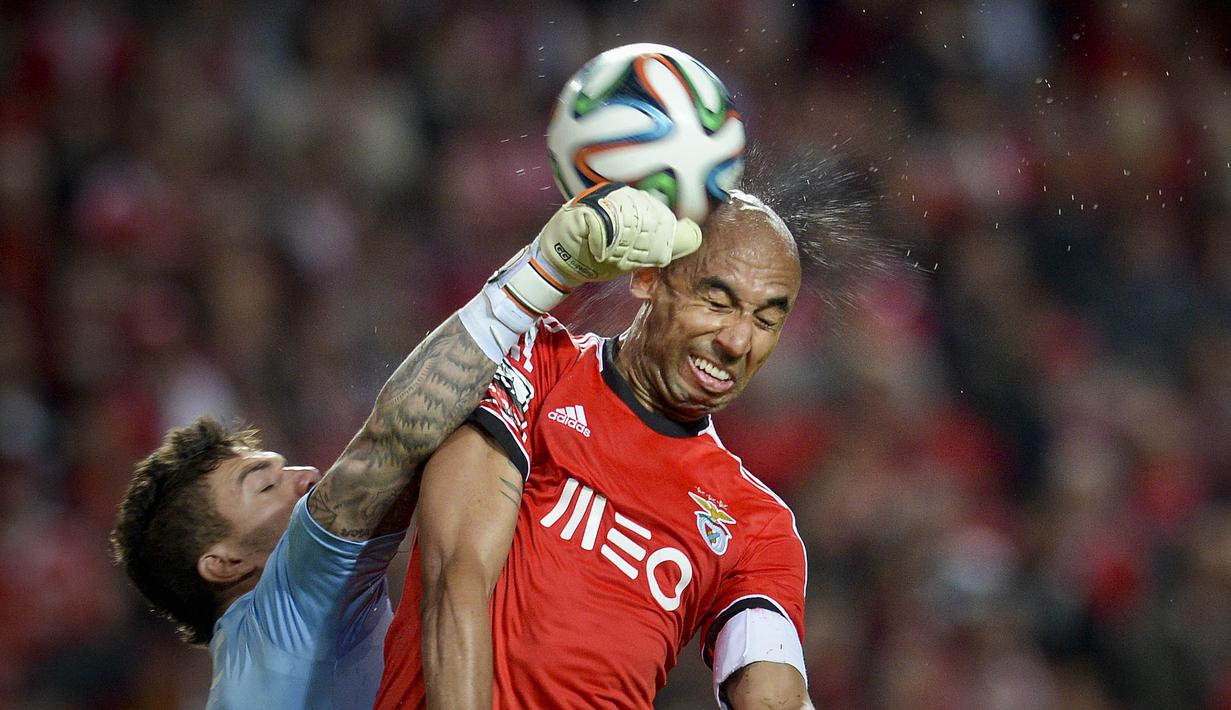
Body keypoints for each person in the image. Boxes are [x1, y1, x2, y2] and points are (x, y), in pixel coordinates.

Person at [108, 184, 701, 710]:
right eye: (264, 484)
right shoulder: (283, 602)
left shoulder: (262, 662)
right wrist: (547, 270)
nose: (307, 475)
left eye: (281, 465)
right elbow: (395, 436)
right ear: (226, 564)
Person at [375, 189, 813, 709]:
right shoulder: (535, 364)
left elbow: (773, 698)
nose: (738, 342)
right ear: (648, 278)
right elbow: (456, 575)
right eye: (717, 303)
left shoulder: (757, 527)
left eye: (765, 321)